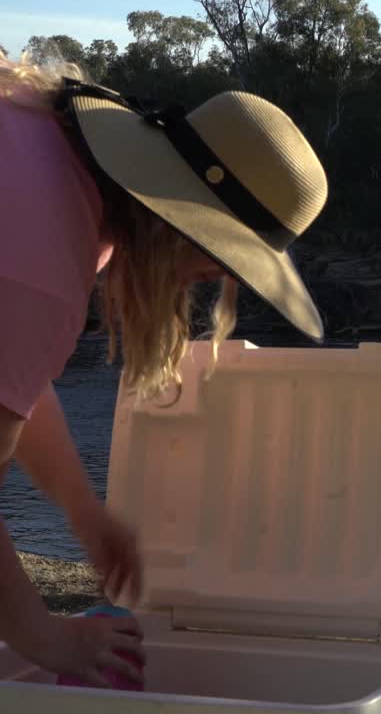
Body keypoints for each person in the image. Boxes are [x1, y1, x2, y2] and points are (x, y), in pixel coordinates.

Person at [0, 54, 328, 687]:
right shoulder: (38, 268)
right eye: (218, 255)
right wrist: (49, 640)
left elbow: (14, 379)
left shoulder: (45, 150)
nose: (222, 277)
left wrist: (83, 511)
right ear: (176, 220)